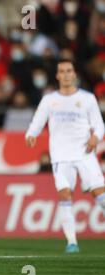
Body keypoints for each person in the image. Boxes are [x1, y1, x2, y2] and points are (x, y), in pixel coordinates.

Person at [25, 59, 105, 253]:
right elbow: (37, 121)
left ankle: (72, 242)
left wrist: (95, 137)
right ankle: (71, 242)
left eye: (69, 70)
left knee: (100, 194)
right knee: (64, 194)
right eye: (63, 71)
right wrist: (31, 134)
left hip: (85, 154)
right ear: (58, 76)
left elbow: (99, 124)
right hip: (61, 156)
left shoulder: (87, 98)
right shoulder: (49, 100)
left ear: (74, 74)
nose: (67, 74)